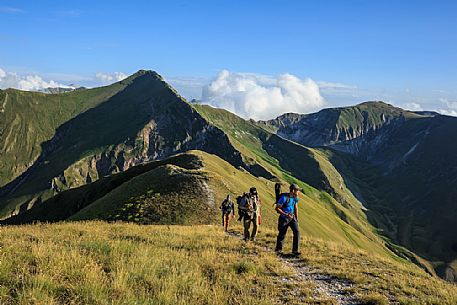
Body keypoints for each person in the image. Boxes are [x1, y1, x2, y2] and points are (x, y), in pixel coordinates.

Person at [275, 183, 301, 256]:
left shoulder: (295, 198)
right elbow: (277, 208)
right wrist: (286, 214)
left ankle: (295, 251)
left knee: (297, 232)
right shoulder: (284, 198)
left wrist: (296, 218)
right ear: (293, 190)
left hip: (292, 217)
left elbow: (296, 208)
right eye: (297, 190)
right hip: (284, 218)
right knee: (282, 234)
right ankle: (278, 250)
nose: (298, 192)